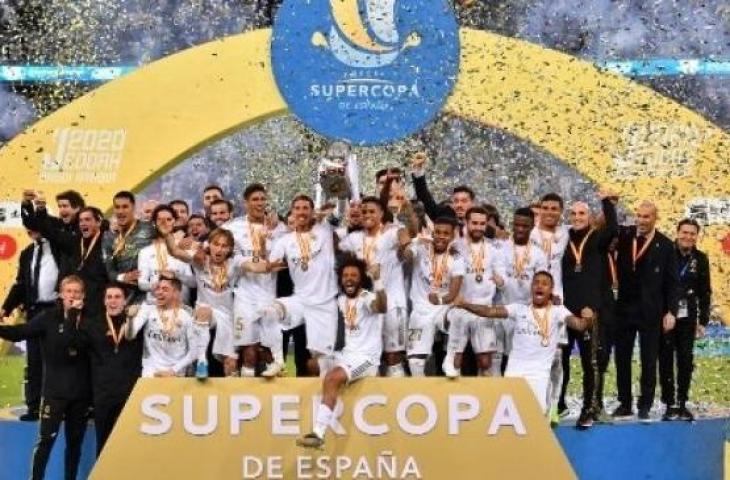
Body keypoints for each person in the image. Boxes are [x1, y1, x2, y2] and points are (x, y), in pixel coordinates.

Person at [454, 271, 593, 414]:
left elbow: (579, 325)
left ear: (551, 290)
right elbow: (489, 311)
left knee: (536, 420)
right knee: (509, 418)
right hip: (514, 373)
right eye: (536, 282)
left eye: (545, 284)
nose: (540, 286)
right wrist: (464, 304)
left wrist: (588, 319)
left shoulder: (558, 311)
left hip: (539, 377)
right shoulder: (518, 308)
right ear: (531, 287)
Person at [0, 275, 91, 480]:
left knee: (75, 444)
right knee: (45, 442)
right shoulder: (48, 318)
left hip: (81, 394)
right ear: (60, 294)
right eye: (69, 291)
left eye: (77, 292)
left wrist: (73, 316)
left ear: (83, 295)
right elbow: (20, 332)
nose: (73, 296)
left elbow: (73, 344)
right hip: (54, 393)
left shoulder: (90, 320)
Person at [297, 255, 387, 448]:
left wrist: (378, 281)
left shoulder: (366, 297)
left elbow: (381, 307)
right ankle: (329, 404)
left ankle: (318, 433)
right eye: (345, 275)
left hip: (367, 359)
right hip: (346, 354)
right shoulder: (340, 300)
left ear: (361, 279)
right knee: (312, 364)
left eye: (354, 275)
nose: (349, 278)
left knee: (331, 378)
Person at [612, 201, 679, 422]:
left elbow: (672, 282)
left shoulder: (666, 245)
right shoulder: (624, 235)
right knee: (622, 357)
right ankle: (624, 403)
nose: (641, 220)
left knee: (649, 359)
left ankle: (645, 403)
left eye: (646, 217)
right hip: (624, 309)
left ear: (655, 218)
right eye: (639, 215)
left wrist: (671, 311)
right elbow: (607, 229)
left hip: (651, 311)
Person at [558, 192, 618, 429]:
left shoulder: (597, 239)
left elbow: (613, 228)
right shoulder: (563, 239)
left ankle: (589, 408)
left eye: (582, 213)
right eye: (573, 213)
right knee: (560, 362)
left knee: (590, 363)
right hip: (564, 312)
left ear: (590, 217)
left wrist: (607, 202)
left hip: (589, 312)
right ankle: (558, 405)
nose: (577, 217)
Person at [261, 195, 339, 376]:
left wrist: (332, 203)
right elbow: (270, 265)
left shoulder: (325, 232)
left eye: (306, 208)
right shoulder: (285, 241)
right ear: (292, 212)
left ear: (312, 212)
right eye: (298, 208)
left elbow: (339, 212)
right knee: (270, 311)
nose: (301, 212)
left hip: (324, 303)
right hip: (301, 300)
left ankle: (321, 393)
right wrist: (265, 247)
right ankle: (279, 362)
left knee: (317, 362)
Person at [338, 196, 416, 377]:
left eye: (372, 211)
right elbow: (334, 243)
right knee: (367, 357)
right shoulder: (354, 238)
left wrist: (408, 248)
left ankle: (396, 400)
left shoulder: (392, 232)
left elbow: (407, 237)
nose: (367, 214)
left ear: (382, 213)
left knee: (393, 357)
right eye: (364, 211)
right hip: (366, 306)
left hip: (392, 304)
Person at [223, 183, 288, 377]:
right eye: (255, 199)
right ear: (246, 203)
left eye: (262, 199)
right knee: (248, 350)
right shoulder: (233, 227)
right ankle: (244, 393)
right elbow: (216, 247)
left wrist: (266, 256)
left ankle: (270, 398)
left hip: (269, 295)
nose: (259, 203)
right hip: (244, 294)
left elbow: (285, 262)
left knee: (269, 353)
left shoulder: (279, 229)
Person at [71, 283, 143, 455]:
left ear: (125, 301)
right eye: (109, 297)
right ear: (103, 301)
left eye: (117, 297)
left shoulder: (136, 323)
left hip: (130, 394)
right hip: (103, 395)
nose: (113, 301)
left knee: (130, 445)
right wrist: (73, 314)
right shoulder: (92, 325)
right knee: (103, 445)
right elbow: (73, 344)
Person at [0, 229, 60, 422]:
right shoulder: (27, 253)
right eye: (28, 227)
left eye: (35, 225)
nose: (32, 230)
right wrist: (5, 308)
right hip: (34, 311)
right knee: (34, 361)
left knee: (58, 362)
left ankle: (59, 408)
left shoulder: (60, 249)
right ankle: (34, 407)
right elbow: (20, 284)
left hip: (57, 310)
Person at [659, 218, 712, 421]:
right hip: (666, 316)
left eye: (692, 233)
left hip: (688, 317)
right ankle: (669, 402)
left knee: (685, 360)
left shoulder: (701, 259)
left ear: (696, 236)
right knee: (665, 359)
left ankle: (682, 402)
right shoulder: (665, 253)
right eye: (685, 232)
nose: (688, 236)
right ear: (677, 232)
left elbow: (705, 292)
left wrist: (703, 321)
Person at [443, 206, 505, 377]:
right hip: (460, 308)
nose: (478, 227)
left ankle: (482, 399)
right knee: (455, 363)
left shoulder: (494, 249)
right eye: (474, 223)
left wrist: (501, 280)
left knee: (485, 363)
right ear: (466, 222)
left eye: (482, 224)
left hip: (484, 308)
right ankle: (456, 398)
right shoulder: (454, 246)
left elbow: (502, 275)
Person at [401, 215, 465, 376]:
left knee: (459, 316)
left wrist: (441, 299)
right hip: (420, 312)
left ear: (452, 236)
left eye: (445, 233)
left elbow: (454, 292)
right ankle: (420, 391)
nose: (441, 236)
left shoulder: (457, 258)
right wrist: (413, 243)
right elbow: (406, 256)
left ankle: (450, 359)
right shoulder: (421, 249)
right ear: (433, 232)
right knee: (415, 362)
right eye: (438, 232)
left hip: (443, 308)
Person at [529, 192, 570, 423]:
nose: (550, 212)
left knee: (557, 356)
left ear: (560, 212)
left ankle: (554, 406)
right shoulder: (530, 234)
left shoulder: (566, 233)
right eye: (546, 208)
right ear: (540, 210)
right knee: (536, 355)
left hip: (558, 301)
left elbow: (595, 223)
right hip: (534, 302)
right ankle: (538, 404)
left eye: (555, 208)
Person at [24, 205, 108, 315]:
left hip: (99, 308)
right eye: (80, 220)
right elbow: (49, 232)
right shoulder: (74, 242)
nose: (83, 223)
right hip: (74, 306)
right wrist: (40, 210)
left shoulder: (108, 243)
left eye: (87, 219)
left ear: (98, 222)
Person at [494, 207, 548, 375]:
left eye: (525, 226)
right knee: (496, 358)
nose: (520, 229)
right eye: (517, 225)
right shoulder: (501, 248)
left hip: (525, 311)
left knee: (517, 358)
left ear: (532, 227)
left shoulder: (539, 254)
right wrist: (501, 282)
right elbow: (499, 273)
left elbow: (541, 281)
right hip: (501, 308)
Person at [125, 277, 207, 378]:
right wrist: (129, 319)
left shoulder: (187, 315)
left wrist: (173, 371)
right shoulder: (147, 308)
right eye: (158, 288)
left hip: (176, 373)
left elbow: (194, 350)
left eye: (165, 289)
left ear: (176, 293)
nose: (159, 292)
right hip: (150, 371)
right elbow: (129, 336)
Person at [102, 191, 155, 305]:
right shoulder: (109, 236)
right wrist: (123, 277)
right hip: (124, 296)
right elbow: (109, 271)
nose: (120, 211)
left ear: (133, 208)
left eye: (125, 207)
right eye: (117, 207)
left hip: (150, 294)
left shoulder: (150, 228)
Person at [137, 205, 196, 305]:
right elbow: (141, 284)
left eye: (168, 219)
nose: (164, 223)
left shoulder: (184, 247)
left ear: (175, 222)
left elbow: (193, 283)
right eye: (160, 219)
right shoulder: (145, 252)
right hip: (154, 307)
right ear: (154, 223)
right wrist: (157, 286)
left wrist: (176, 275)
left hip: (181, 307)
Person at [410, 151, 475, 229]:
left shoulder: (481, 219)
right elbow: (425, 199)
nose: (459, 205)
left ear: (473, 203)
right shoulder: (445, 215)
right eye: (456, 201)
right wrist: (418, 169)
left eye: (464, 201)